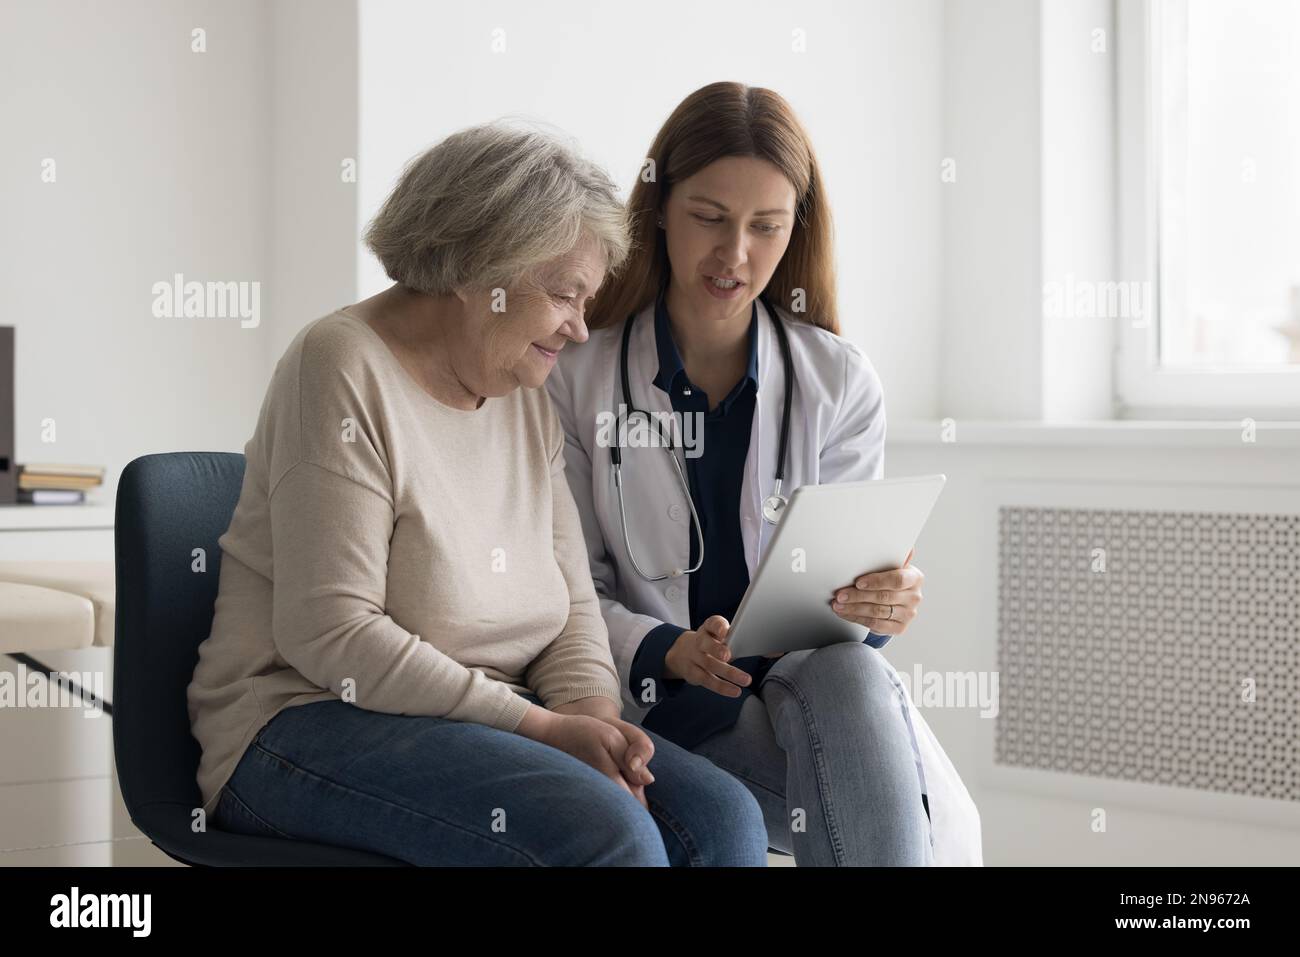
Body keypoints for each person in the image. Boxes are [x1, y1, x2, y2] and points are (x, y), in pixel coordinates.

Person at [186, 121, 769, 866]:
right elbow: (330, 633)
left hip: (491, 718)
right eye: (564, 295)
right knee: (606, 834)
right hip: (303, 720)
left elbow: (572, 607)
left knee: (726, 820)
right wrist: (544, 732)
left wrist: (596, 728)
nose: (581, 330)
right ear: (477, 268)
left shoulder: (522, 386)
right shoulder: (339, 365)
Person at [545, 83, 983, 865]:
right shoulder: (575, 376)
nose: (735, 253)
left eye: (766, 226)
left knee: (848, 665)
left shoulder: (837, 379)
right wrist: (669, 648)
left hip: (799, 702)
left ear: (796, 230)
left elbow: (845, 609)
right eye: (709, 218)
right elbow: (569, 589)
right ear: (660, 209)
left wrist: (880, 603)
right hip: (661, 709)